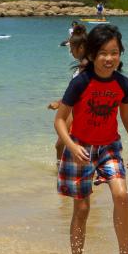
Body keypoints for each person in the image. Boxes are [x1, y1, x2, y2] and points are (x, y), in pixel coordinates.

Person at [54, 24, 128, 254]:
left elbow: (127, 117)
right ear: (93, 55)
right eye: (104, 53)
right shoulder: (81, 83)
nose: (109, 58)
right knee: (82, 209)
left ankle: (124, 253)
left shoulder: (123, 84)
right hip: (80, 148)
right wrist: (72, 146)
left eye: (114, 52)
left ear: (121, 53)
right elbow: (60, 120)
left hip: (109, 147)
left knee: (121, 194)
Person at [49, 31, 90, 160]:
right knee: (61, 145)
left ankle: (60, 172)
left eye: (72, 48)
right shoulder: (83, 66)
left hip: (77, 110)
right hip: (73, 108)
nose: (70, 52)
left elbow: (80, 93)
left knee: (60, 145)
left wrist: (60, 102)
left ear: (81, 48)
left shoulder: (85, 67)